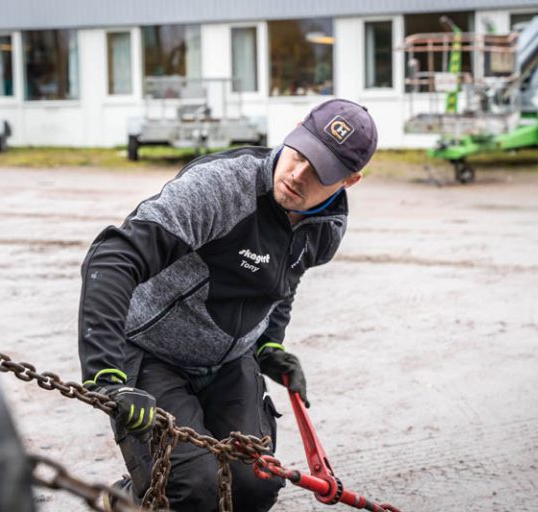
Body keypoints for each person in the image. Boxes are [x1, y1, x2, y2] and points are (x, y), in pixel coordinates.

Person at [78, 98, 378, 511]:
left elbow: (283, 282)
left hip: (230, 362)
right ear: (294, 132)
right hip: (151, 352)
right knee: (193, 488)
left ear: (349, 181)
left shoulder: (325, 230)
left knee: (254, 486)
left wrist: (270, 344)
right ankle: (123, 500)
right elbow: (113, 257)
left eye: (322, 172)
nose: (298, 175)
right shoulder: (221, 189)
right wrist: (106, 372)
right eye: (301, 154)